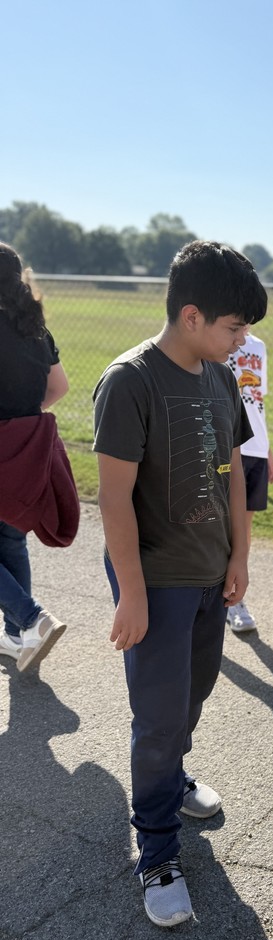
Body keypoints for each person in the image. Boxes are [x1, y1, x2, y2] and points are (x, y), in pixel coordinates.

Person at [93, 241, 267, 928]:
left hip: (209, 575)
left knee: (194, 694)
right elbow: (112, 499)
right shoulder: (130, 381)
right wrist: (132, 593)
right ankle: (158, 848)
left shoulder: (221, 378)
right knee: (159, 717)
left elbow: (235, 477)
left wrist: (239, 557)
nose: (242, 339)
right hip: (157, 580)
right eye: (234, 326)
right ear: (191, 316)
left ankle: (170, 777)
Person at [0, 242, 70, 673]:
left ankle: (31, 618)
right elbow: (59, 387)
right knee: (10, 540)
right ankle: (16, 636)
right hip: (27, 448)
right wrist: (23, 414)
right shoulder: (35, 328)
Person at [225, 331, 273, 633]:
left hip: (255, 448)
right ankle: (208, 596)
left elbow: (257, 401)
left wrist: (267, 449)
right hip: (228, 446)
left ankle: (234, 598)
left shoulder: (258, 346)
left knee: (243, 530)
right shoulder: (218, 337)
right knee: (218, 526)